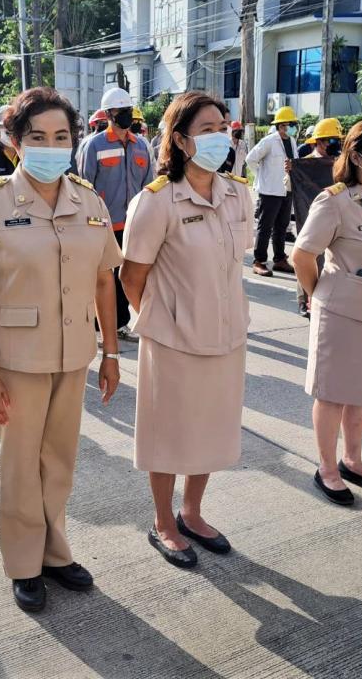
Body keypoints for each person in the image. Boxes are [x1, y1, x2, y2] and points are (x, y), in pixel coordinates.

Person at [0, 87, 121, 613]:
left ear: (75, 139)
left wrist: (110, 353)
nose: (52, 146)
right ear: (15, 142)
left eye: (61, 136)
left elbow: (102, 282)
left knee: (59, 461)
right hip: (16, 359)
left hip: (73, 355)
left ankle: (54, 551)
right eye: (38, 137)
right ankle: (24, 563)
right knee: (20, 465)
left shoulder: (87, 201)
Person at [120, 91, 253, 569]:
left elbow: (233, 263)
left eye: (223, 127)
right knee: (169, 432)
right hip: (174, 338)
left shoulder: (240, 193)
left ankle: (193, 512)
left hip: (228, 331)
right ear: (179, 139)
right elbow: (131, 277)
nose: (220, 136)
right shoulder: (155, 202)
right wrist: (165, 318)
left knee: (212, 428)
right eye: (207, 130)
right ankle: (163, 521)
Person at [291, 119, 362, 505]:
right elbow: (302, 255)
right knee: (333, 393)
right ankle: (327, 468)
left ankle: (353, 459)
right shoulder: (334, 201)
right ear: (356, 156)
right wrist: (315, 292)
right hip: (340, 310)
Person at [76, 86, 154, 340]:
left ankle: (121, 322)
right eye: (122, 111)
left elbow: (148, 185)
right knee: (101, 278)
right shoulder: (94, 145)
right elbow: (84, 185)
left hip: (133, 225)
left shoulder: (141, 145)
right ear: (109, 113)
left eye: (129, 110)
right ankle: (97, 326)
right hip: (102, 225)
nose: (127, 115)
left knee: (125, 277)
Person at [246, 105, 298, 277]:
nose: (290, 128)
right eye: (288, 125)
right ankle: (259, 261)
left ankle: (279, 259)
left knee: (282, 226)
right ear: (280, 126)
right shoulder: (269, 141)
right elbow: (251, 159)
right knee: (265, 227)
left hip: (286, 190)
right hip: (269, 191)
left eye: (292, 125)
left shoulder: (291, 141)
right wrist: (261, 177)